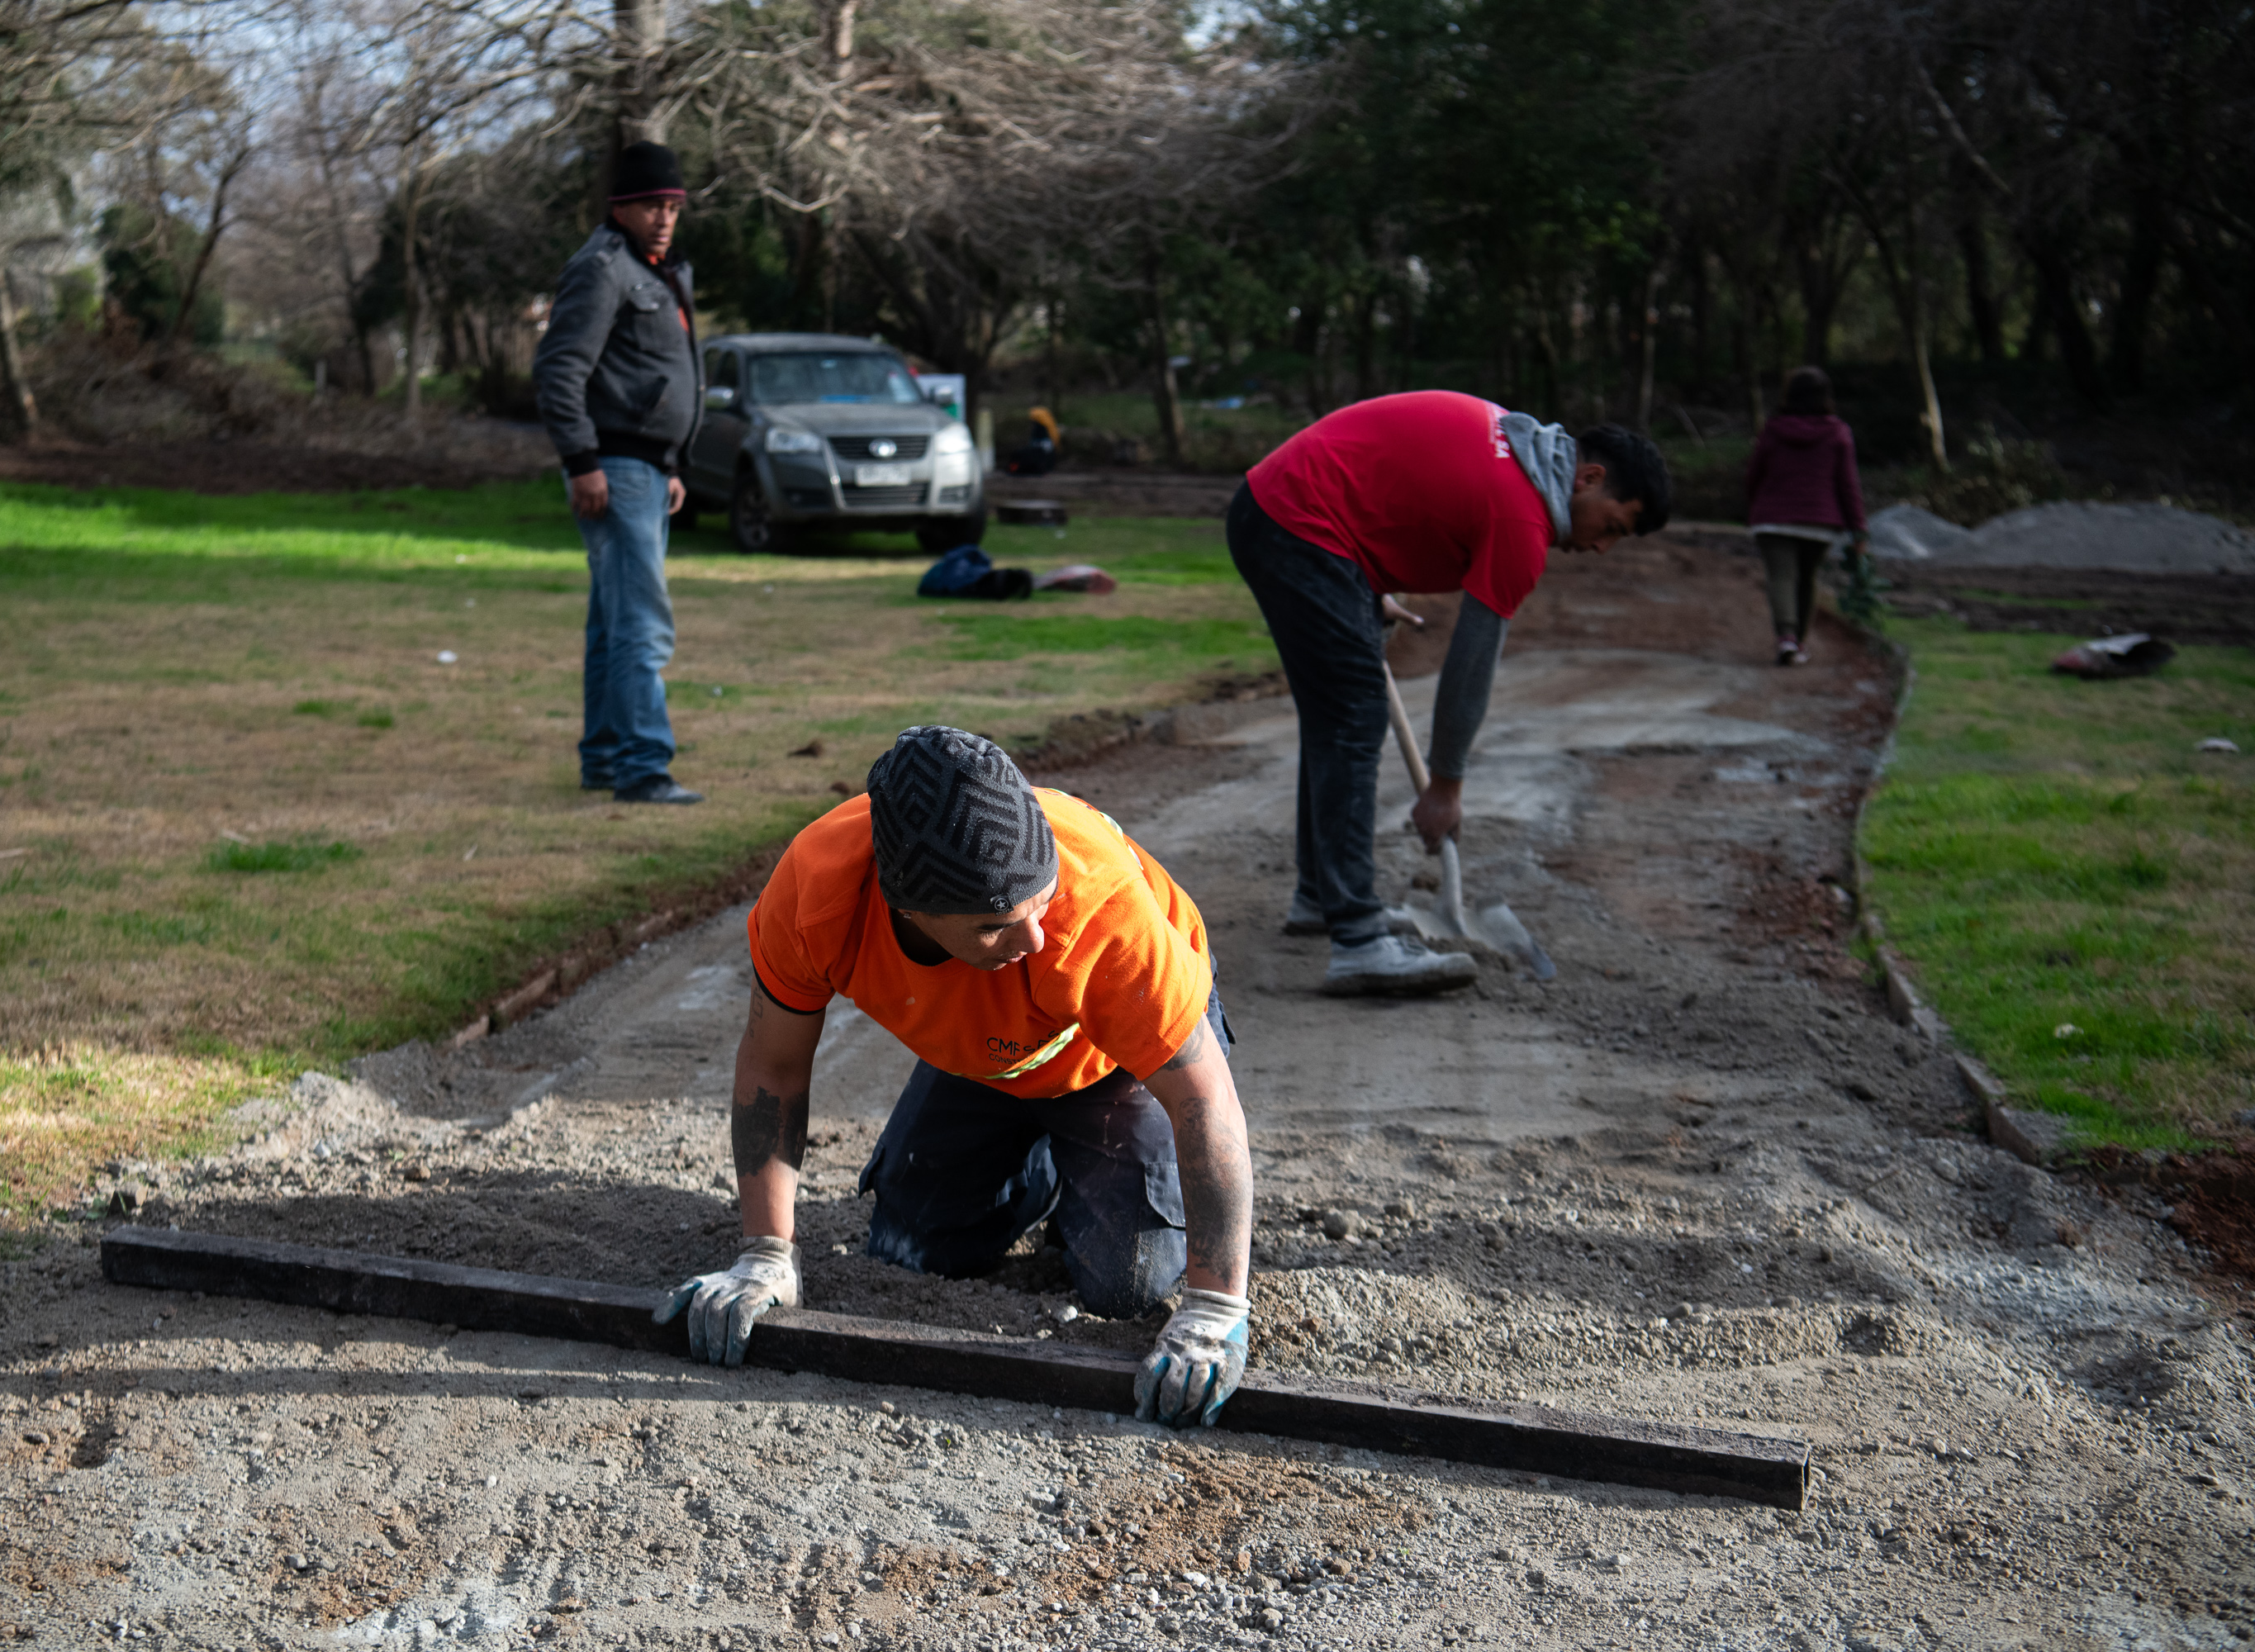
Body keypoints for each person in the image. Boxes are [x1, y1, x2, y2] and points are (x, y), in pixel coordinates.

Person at [653, 725, 1254, 1427]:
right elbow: (773, 1066)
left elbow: (1203, 1099)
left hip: (1108, 1059)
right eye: (997, 926)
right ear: (909, 910)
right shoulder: (817, 891)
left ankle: (1084, 1165)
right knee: (913, 1249)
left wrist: (1215, 1308)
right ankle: (1043, 1167)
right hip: (988, 1052)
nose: (1034, 940)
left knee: (1128, 1283)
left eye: (1040, 901)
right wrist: (764, 1254)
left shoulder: (1097, 909)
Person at [1231, 391, 1671, 995]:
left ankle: (1321, 896)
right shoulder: (1524, 517)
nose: (1600, 547)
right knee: (1353, 715)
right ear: (1589, 478)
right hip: (1299, 521)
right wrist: (1445, 787)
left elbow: (1397, 479)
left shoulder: (1520, 453)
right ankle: (1358, 938)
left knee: (1336, 715)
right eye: (1611, 527)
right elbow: (1470, 667)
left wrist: (1366, 580)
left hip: (1293, 517)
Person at [533, 140, 705, 804]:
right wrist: (581, 461)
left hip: (644, 469)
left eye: (671, 206)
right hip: (612, 465)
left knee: (614, 622)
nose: (663, 217)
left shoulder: (657, 268)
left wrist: (670, 463)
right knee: (642, 622)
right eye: (649, 206)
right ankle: (643, 767)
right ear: (620, 208)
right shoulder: (602, 269)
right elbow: (558, 369)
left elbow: (647, 374)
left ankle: (605, 760)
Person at [1740, 366, 1867, 666]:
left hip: (1774, 518)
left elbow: (1753, 474)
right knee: (1807, 578)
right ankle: (1799, 642)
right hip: (1820, 520)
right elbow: (1848, 483)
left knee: (1781, 576)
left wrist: (1755, 503)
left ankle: (1786, 638)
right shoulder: (1838, 433)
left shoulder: (1773, 429)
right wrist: (1858, 529)